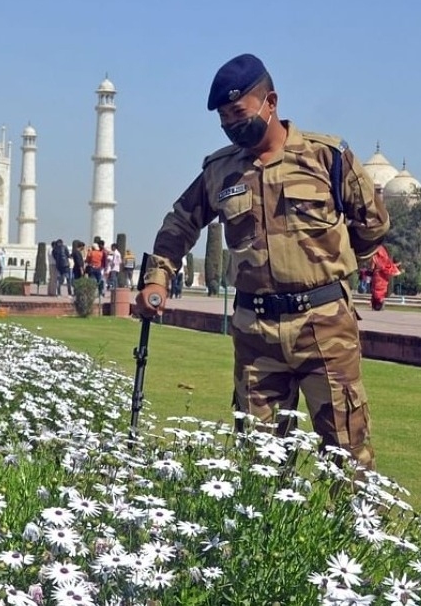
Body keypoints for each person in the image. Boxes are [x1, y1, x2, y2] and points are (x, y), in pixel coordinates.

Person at [134, 53, 389, 472]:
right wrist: (158, 278)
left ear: (270, 102)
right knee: (257, 463)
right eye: (223, 119)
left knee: (348, 456)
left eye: (238, 113)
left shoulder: (327, 157)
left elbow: (372, 222)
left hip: (324, 325)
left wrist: (342, 265)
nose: (231, 125)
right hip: (256, 334)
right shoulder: (222, 171)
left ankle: (353, 536)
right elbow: (181, 222)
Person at [369, 245, 401, 311]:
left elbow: (372, 267)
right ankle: (379, 304)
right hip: (382, 277)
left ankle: (376, 305)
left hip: (377, 277)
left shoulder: (375, 257)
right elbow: (389, 266)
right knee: (381, 290)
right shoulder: (385, 259)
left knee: (377, 290)